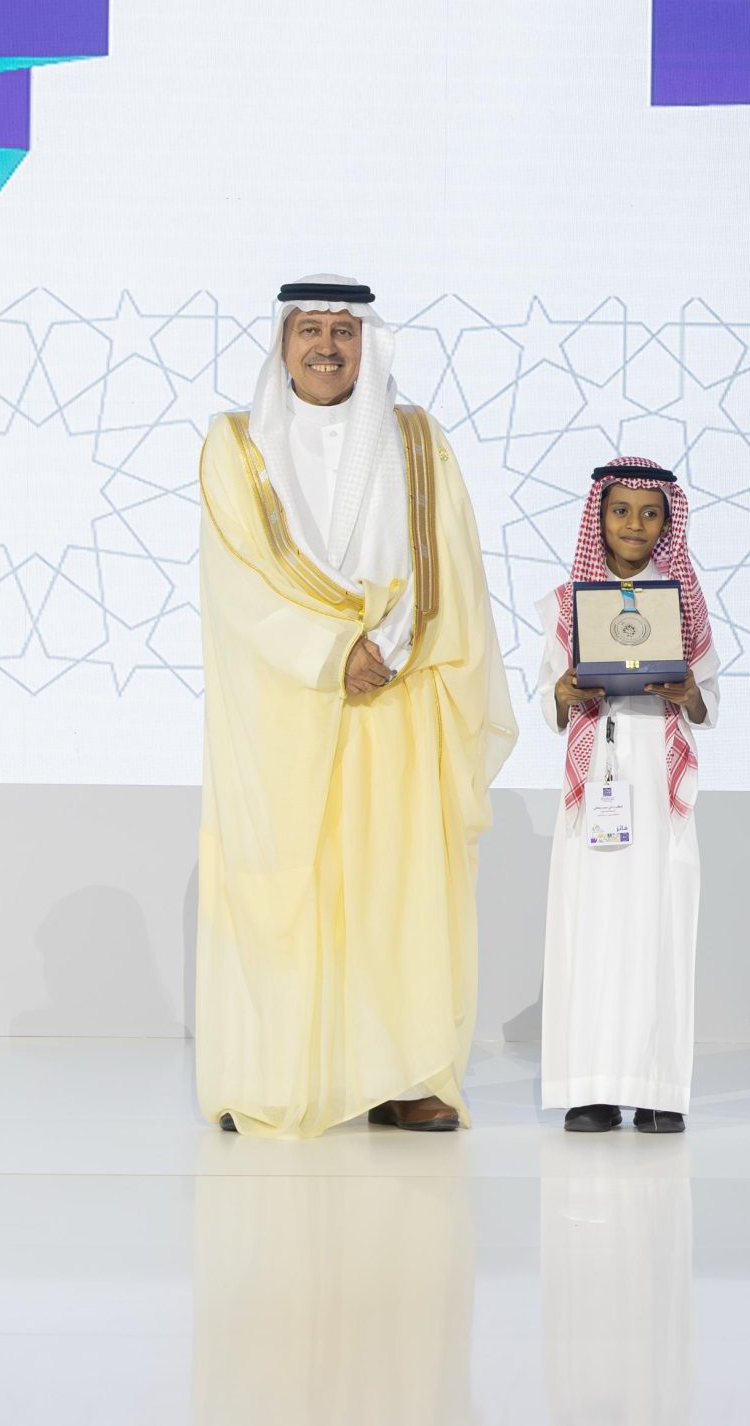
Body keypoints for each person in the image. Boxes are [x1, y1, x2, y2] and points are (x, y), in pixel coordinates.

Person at [195, 275, 514, 1138]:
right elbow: (238, 583)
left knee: (396, 889)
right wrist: (333, 652)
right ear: (283, 342)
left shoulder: (417, 439)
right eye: (311, 330)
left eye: (344, 330)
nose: (328, 347)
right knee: (282, 889)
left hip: (397, 698)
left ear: (369, 342)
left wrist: (390, 648)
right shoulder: (235, 446)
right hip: (287, 706)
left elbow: (450, 562)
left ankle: (405, 1075)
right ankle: (271, 1077)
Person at [539, 459, 722, 1134]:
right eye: (620, 511)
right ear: (600, 517)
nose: (634, 525)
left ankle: (657, 1089)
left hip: (657, 783)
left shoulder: (684, 601)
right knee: (588, 930)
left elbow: (708, 704)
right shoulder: (566, 602)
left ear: (668, 522)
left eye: (650, 514)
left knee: (659, 928)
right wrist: (563, 693)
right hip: (594, 785)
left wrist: (689, 693)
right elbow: (551, 706)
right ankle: (590, 1089)